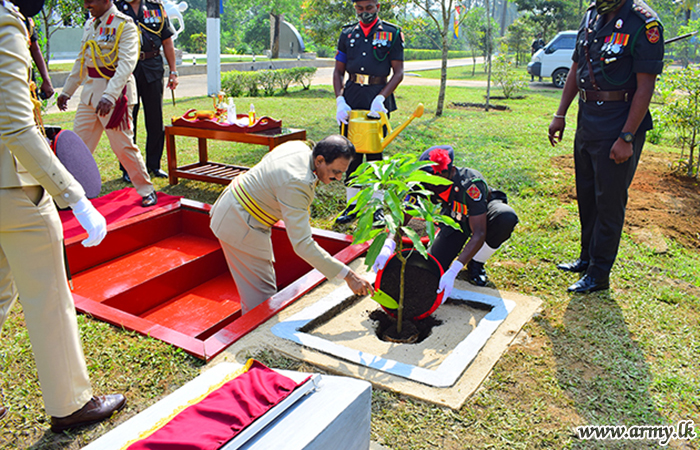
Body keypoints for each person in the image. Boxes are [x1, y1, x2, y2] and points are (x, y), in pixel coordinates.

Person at [0, 0, 125, 431]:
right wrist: (75, 197)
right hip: (16, 188)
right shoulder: (5, 19)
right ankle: (71, 402)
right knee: (50, 299)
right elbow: (17, 128)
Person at [548, 0, 664, 293]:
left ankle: (599, 274)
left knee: (609, 202)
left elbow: (645, 87)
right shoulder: (592, 15)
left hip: (618, 123)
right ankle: (586, 259)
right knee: (587, 195)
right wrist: (560, 114)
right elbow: (577, 65)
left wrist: (627, 137)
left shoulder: (644, 23)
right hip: (587, 119)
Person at [209, 136, 374, 314]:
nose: (339, 178)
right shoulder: (297, 182)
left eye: (342, 172)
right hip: (239, 222)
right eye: (335, 171)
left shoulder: (299, 147)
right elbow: (302, 244)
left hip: (236, 205)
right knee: (261, 301)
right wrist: (349, 276)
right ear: (319, 160)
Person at [373, 146, 519, 299]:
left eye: (436, 179)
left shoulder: (470, 184)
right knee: (432, 269)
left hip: (482, 213)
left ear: (449, 172)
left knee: (505, 218)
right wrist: (389, 243)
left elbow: (479, 232)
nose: (431, 184)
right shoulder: (422, 182)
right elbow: (404, 214)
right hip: (455, 217)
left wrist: (455, 269)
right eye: (428, 179)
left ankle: (476, 263)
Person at [57, 0, 157, 208]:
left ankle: (147, 190)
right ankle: (70, 195)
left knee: (123, 147)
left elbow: (127, 64)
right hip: (90, 95)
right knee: (78, 147)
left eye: (91, 1)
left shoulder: (124, 24)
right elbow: (81, 61)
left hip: (115, 96)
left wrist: (109, 96)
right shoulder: (90, 24)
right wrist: (67, 91)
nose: (87, 5)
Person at [333, 0, 404, 224]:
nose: (364, 13)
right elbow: (338, 71)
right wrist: (340, 100)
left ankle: (377, 209)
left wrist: (381, 97)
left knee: (375, 156)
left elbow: (398, 72)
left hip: (377, 97)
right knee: (350, 154)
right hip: (352, 97)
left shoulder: (392, 33)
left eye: (369, 8)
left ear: (378, 7)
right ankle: (352, 206)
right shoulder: (347, 34)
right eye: (360, 8)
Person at [115, 0, 178, 182]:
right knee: (128, 121)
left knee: (155, 119)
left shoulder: (155, 8)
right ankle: (128, 168)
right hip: (127, 70)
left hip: (153, 68)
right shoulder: (115, 9)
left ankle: (154, 165)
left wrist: (173, 71)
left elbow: (167, 41)